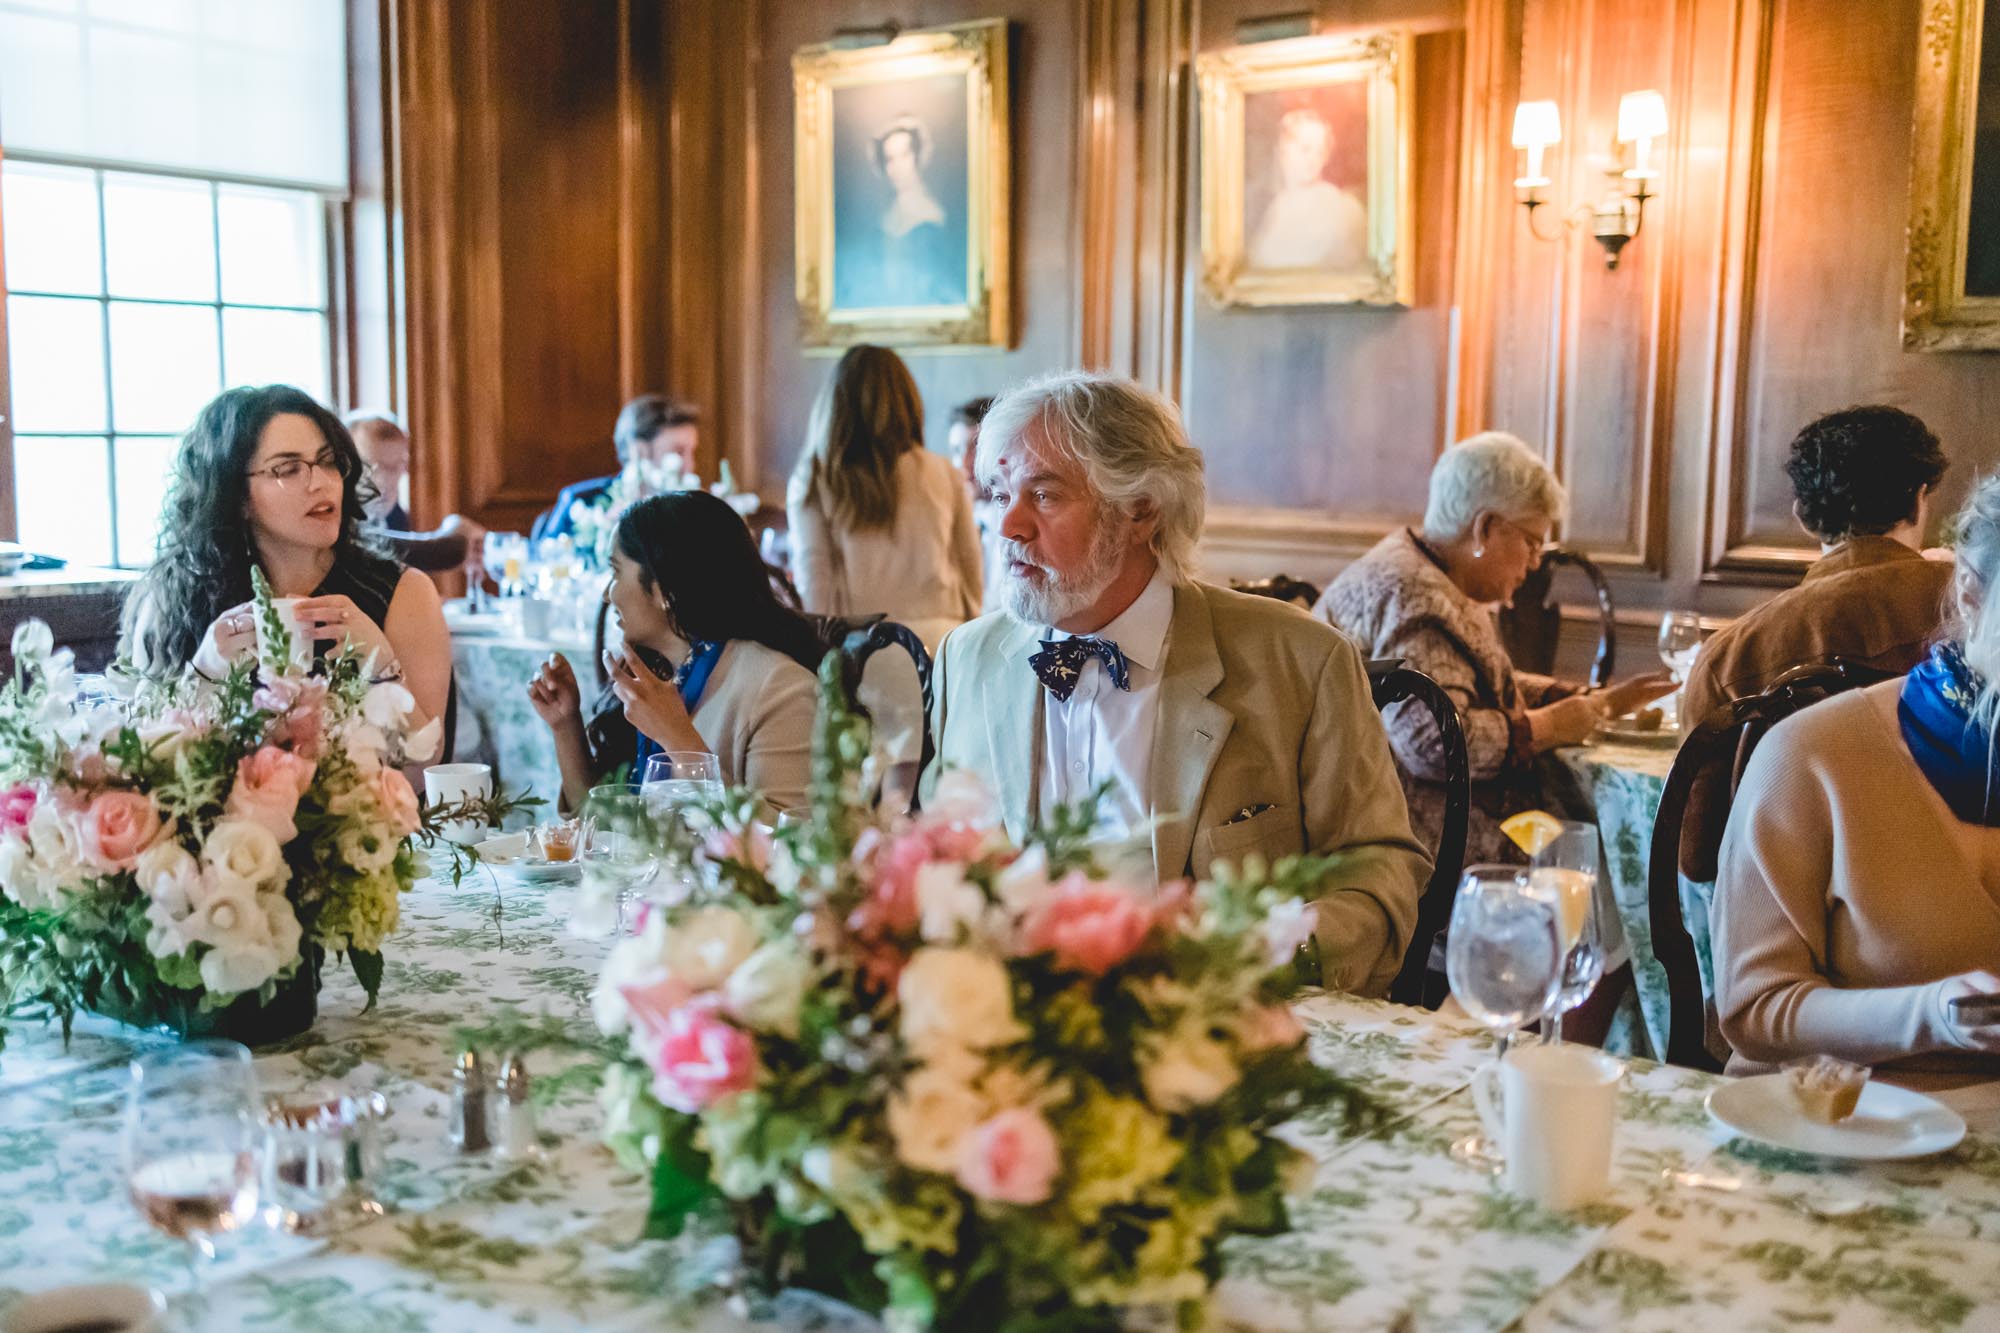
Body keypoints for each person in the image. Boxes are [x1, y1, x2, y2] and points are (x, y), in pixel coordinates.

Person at [921, 371, 1430, 997]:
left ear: (1140, 511)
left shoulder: (1301, 662)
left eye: (1044, 496)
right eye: (999, 496)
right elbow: (931, 860)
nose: (1008, 527)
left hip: (1220, 1036)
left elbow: (1380, 870)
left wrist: (1264, 961)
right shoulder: (966, 660)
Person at [1711, 473, 2000, 1090]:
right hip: (1846, 1128)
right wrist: (1932, 1016)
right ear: (1971, 599)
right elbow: (1755, 1011)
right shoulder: (1812, 757)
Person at [1316, 432, 1673, 868]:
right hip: (1406, 848)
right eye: (1531, 541)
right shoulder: (1416, 595)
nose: (1537, 561)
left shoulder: (1421, 568)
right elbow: (1431, 743)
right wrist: (1547, 727)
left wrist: (1581, 700)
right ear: (1485, 528)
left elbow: (1464, 679)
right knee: (1599, 857)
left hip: (1411, 821)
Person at [1680, 406, 1952, 881]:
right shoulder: (1978, 614)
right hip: (1970, 910)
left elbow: (1699, 858)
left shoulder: (1729, 657)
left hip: (1796, 933)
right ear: (1917, 501)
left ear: (1803, 517)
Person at [120, 385, 452, 742]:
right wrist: (205, 674)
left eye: (327, 461)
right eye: (288, 469)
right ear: (238, 497)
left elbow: (425, 770)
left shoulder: (404, 593)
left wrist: (380, 668)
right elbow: (143, 759)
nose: (320, 482)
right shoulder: (175, 597)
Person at [526, 491, 819, 815]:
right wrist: (566, 727)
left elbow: (787, 845)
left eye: (616, 572)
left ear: (665, 589)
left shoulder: (779, 688)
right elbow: (602, 830)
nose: (609, 595)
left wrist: (676, 735)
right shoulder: (655, 672)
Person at [531, 394, 701, 544]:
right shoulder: (582, 500)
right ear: (640, 451)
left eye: (692, 452)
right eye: (678, 452)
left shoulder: (693, 510)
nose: (690, 465)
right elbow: (546, 562)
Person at [836, 117, 962, 309]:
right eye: (890, 159)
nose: (897, 167)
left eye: (904, 155)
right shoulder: (883, 218)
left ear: (917, 156)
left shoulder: (935, 215)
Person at [345, 411, 487, 576]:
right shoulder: (335, 522)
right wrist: (456, 535)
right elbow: (422, 553)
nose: (381, 481)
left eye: (394, 468)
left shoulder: (395, 517)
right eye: (369, 467)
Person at [1247, 107, 1368, 272]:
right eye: (1305, 149)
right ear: (1283, 150)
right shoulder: (1276, 207)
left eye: (1319, 152)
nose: (1313, 159)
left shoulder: (1336, 206)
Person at [948, 395, 1006, 612]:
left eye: (975, 448)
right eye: (956, 450)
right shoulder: (948, 522)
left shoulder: (1015, 523)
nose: (964, 462)